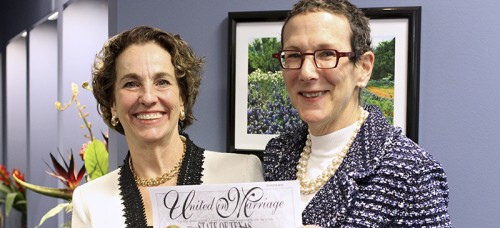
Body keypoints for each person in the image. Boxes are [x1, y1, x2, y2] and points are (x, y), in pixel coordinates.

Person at [264, 0, 451, 227]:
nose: (306, 72)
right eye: (293, 55)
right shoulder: (278, 153)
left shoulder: (412, 172)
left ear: (363, 68)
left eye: (326, 54)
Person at [71, 26, 264, 227]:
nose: (147, 97)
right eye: (131, 84)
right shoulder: (89, 201)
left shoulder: (242, 173)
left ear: (182, 98)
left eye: (162, 82)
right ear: (113, 105)